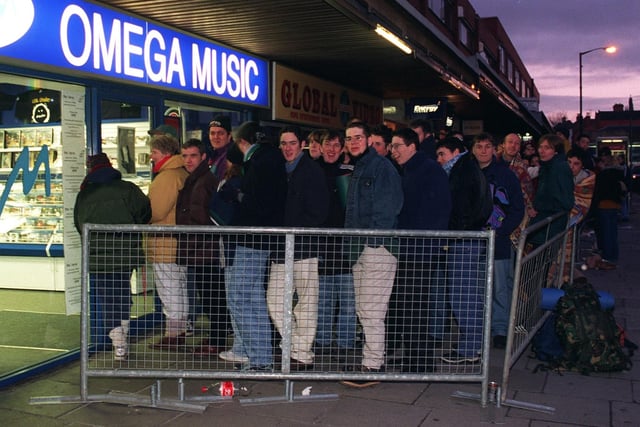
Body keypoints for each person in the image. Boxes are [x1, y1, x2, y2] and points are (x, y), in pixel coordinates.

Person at [74, 153, 151, 360]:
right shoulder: (127, 188)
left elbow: (79, 224)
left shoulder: (85, 194)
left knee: (107, 299)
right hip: (126, 254)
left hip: (98, 258)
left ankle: (118, 345)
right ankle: (124, 336)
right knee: (123, 294)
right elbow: (145, 212)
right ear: (110, 166)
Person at [224, 121, 287, 371]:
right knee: (251, 297)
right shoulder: (270, 158)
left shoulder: (259, 163)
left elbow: (259, 204)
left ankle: (259, 357)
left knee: (241, 296)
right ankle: (260, 356)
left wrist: (238, 197)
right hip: (259, 239)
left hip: (251, 239)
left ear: (242, 143)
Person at [388, 127, 451, 372]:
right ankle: (414, 356)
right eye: (392, 147)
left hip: (420, 249)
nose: (394, 152)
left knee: (415, 306)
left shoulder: (427, 170)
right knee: (409, 305)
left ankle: (421, 360)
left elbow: (437, 209)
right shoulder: (413, 169)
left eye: (397, 146)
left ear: (412, 146)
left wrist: (426, 241)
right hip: (412, 247)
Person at [266, 126, 329, 370]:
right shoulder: (281, 171)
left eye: (292, 143)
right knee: (275, 300)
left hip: (305, 248)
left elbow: (319, 212)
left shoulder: (312, 172)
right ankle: (293, 346)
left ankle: (301, 353)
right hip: (283, 249)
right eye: (284, 143)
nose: (288, 148)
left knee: (306, 303)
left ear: (301, 144)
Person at [344, 121, 403, 374]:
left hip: (377, 248)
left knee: (371, 310)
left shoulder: (381, 167)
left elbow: (388, 208)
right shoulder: (361, 167)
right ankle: (371, 360)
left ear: (368, 140)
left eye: (358, 137)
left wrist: (373, 243)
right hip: (362, 248)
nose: (353, 142)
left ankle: (373, 363)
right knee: (365, 308)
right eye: (349, 138)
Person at [435, 136, 492, 363]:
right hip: (468, 238)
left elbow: (459, 208)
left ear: (455, 151)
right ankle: (473, 345)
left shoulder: (461, 172)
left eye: (442, 154)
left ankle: (470, 348)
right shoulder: (468, 168)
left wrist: (454, 232)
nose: (439, 159)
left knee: (462, 295)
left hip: (463, 240)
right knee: (467, 294)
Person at [175, 139, 228, 357]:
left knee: (212, 296)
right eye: (185, 155)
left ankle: (218, 339)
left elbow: (206, 216)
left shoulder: (204, 180)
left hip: (205, 248)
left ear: (203, 157)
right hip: (198, 247)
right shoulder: (196, 179)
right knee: (209, 295)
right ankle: (217, 336)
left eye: (193, 155)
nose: (188, 160)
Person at [471, 133, 525, 349]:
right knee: (475, 287)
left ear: (495, 149)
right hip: (473, 239)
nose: (483, 150)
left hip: (498, 240)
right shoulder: (467, 173)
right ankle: (478, 328)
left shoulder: (506, 175)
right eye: (479, 146)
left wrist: (502, 231)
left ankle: (500, 329)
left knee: (500, 287)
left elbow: (517, 208)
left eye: (487, 146)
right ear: (473, 149)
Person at [314, 130, 356, 358]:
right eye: (327, 144)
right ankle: (322, 341)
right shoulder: (312, 171)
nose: (331, 149)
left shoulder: (350, 174)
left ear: (342, 149)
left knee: (348, 302)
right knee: (323, 301)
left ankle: (346, 343)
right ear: (320, 146)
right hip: (320, 247)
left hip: (345, 248)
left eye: (336, 146)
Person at [146, 134, 190, 349]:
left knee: (169, 288)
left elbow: (155, 211)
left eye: (154, 152)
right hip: (177, 242)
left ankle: (173, 334)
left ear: (164, 153)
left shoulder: (166, 177)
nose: (151, 157)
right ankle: (180, 329)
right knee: (179, 287)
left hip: (164, 243)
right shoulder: (181, 173)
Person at [527, 134, 575, 248]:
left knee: (540, 262)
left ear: (556, 151)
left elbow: (565, 199)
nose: (542, 151)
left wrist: (540, 207)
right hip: (545, 223)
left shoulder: (558, 168)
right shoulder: (547, 167)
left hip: (550, 224)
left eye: (547, 148)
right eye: (541, 147)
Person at [589, 148, 625, 270]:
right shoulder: (619, 173)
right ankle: (612, 256)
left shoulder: (603, 175)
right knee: (612, 232)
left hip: (603, 204)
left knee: (605, 233)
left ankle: (607, 257)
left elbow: (599, 191)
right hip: (614, 204)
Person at [207, 115, 233, 182]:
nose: (216, 137)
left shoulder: (231, 157)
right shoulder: (213, 154)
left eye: (220, 133)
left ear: (229, 135)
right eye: (212, 133)